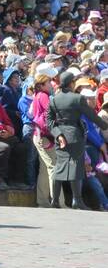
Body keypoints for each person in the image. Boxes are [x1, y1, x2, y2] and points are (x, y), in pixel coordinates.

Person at [47, 71, 89, 209]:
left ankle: (55, 200)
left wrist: (58, 134)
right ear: (71, 83)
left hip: (60, 136)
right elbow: (91, 116)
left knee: (59, 166)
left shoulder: (53, 99)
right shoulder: (77, 98)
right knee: (75, 167)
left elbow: (49, 122)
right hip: (74, 135)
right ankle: (77, 200)